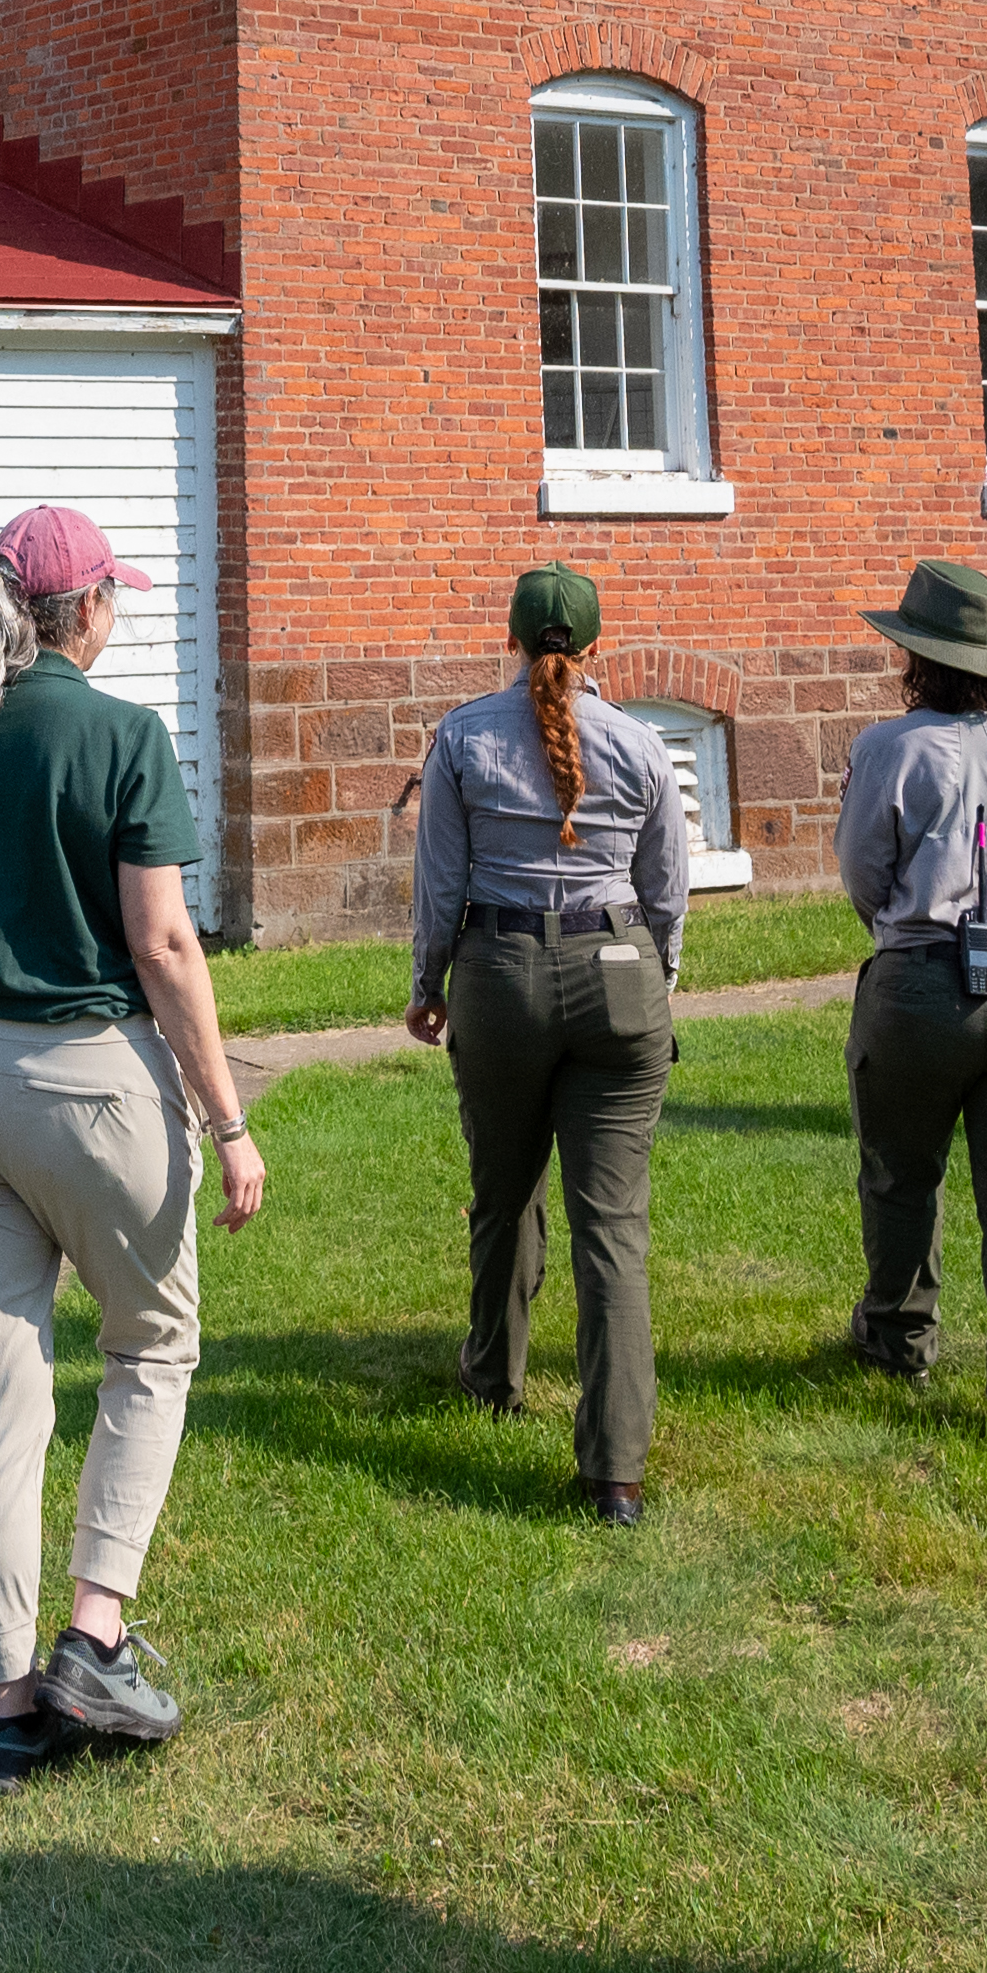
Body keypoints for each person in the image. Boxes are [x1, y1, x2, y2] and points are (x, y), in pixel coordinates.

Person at [0, 505, 265, 1791]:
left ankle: (5, 1704)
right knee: (150, 1343)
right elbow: (161, 947)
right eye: (114, 599)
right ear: (82, 609)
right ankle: (95, 1636)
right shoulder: (121, 735)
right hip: (86, 1082)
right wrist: (228, 1117)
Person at [404, 562, 689, 1523]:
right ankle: (615, 1472)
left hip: (499, 972)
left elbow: (441, 886)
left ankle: (492, 1376)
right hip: (619, 972)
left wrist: (427, 983)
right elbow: (666, 892)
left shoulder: (461, 737)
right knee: (611, 1228)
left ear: (513, 638)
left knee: (503, 1192)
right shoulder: (644, 743)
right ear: (599, 646)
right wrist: (660, 982)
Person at [835, 555, 987, 1452]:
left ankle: (899, 1339)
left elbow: (864, 876)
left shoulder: (890, 749)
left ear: (917, 659)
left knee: (900, 1174)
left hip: (916, 981)